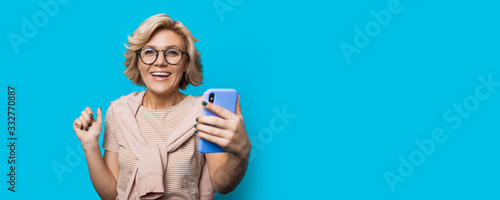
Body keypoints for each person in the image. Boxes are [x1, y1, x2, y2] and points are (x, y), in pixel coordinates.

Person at [72, 14, 251, 200]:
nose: (160, 61)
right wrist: (90, 145)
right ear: (138, 61)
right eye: (149, 52)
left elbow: (222, 184)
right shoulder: (119, 112)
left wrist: (241, 153)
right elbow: (111, 194)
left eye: (172, 52)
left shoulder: (205, 112)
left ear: (186, 63)